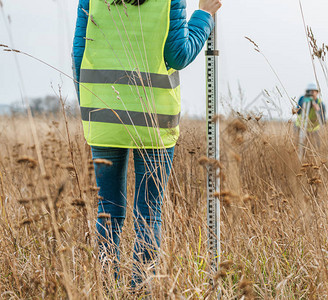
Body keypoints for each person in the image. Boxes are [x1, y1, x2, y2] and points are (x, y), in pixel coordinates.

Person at [72, 0, 222, 286]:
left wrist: (88, 106)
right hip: (155, 119)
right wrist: (203, 16)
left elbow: (79, 53)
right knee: (148, 213)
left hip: (102, 112)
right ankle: (140, 290)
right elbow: (177, 55)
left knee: (108, 209)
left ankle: (107, 288)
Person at [293, 83, 326, 152]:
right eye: (309, 91)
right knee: (298, 145)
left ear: (317, 92)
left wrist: (318, 110)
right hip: (300, 126)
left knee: (316, 146)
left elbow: (323, 121)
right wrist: (303, 103)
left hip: (314, 129)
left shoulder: (320, 103)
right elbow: (298, 112)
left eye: (313, 91)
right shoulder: (302, 99)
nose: (311, 93)